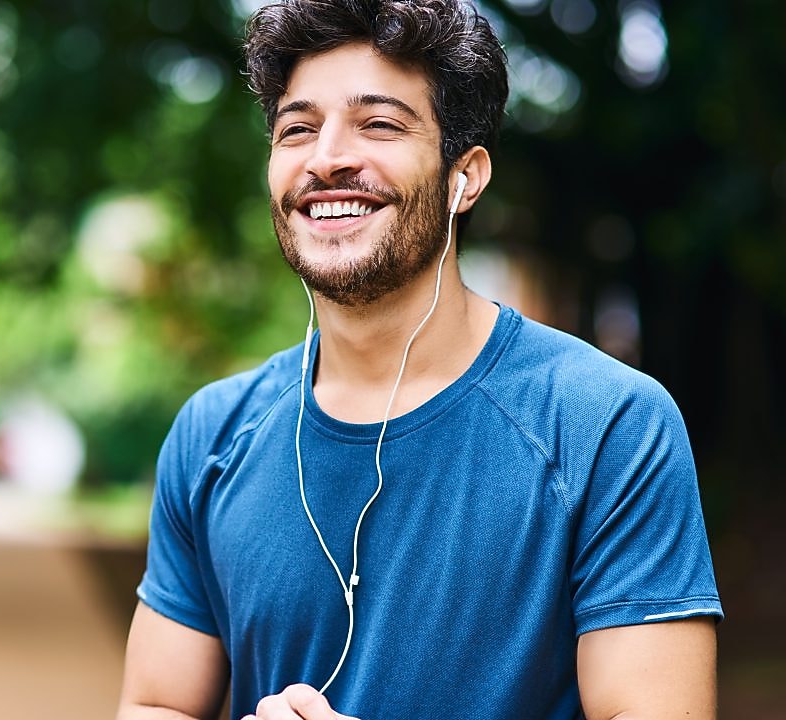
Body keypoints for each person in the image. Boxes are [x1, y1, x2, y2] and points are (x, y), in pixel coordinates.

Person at [116, 1, 722, 719]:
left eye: (378, 124)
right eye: (297, 129)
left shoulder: (607, 425)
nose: (327, 157)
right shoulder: (212, 434)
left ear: (464, 177)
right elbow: (159, 704)